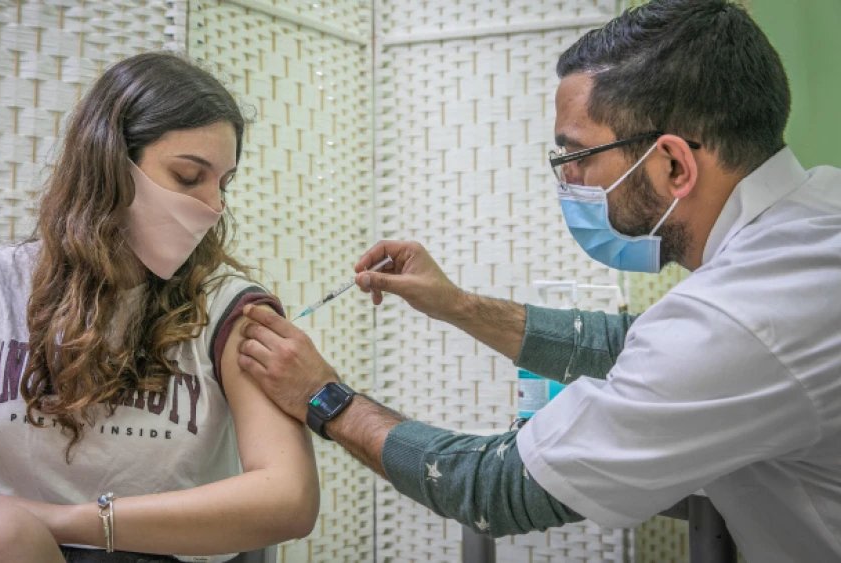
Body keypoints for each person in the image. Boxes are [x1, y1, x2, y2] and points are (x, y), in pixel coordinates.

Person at [236, 1, 841, 561]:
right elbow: (632, 345)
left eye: (576, 155)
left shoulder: (745, 316)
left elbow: (493, 487)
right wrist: (458, 305)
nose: (568, 179)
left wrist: (325, 397)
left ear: (673, 163)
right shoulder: (817, 214)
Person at [0, 52, 319, 563]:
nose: (214, 206)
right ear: (107, 164)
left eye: (223, 183)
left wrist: (63, 518)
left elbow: (288, 499)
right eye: (189, 177)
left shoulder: (232, 309)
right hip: (17, 552)